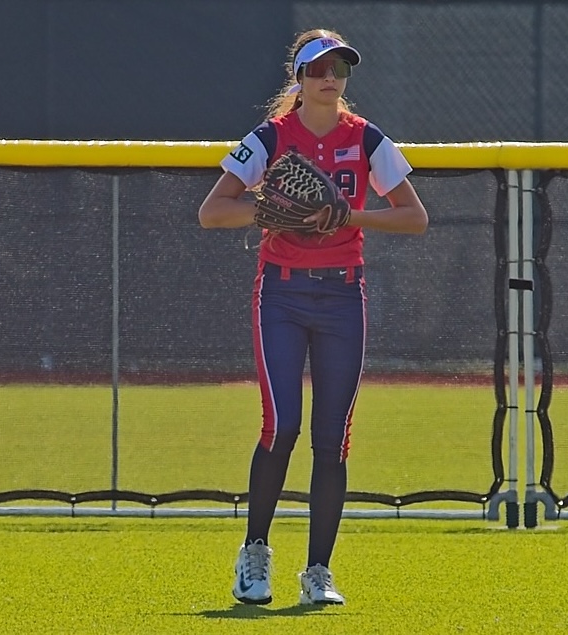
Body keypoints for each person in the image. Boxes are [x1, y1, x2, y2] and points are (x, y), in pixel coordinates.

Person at [198, 28, 428, 606]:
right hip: (281, 293)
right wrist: (271, 210)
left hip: (343, 296)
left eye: (339, 69)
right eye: (318, 69)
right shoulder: (272, 136)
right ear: (298, 79)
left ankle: (318, 572)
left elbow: (414, 217)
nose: (330, 78)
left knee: (332, 440)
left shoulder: (366, 138)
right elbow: (212, 211)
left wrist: (346, 216)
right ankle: (254, 554)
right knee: (281, 427)